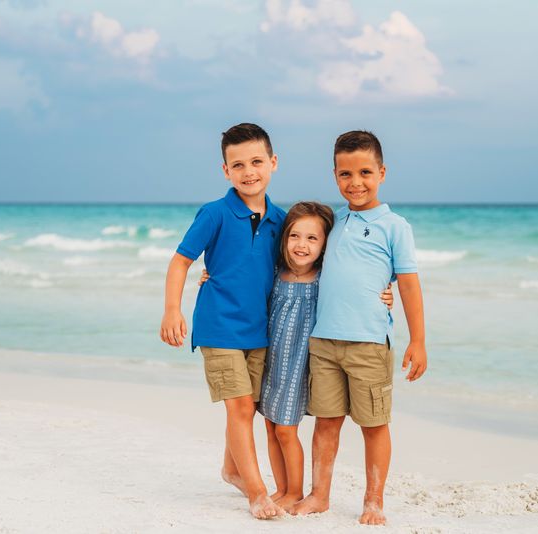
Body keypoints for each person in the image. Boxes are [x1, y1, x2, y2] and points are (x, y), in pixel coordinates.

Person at [199, 202, 394, 511]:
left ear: (325, 244)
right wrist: (212, 278)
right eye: (294, 236)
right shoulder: (277, 273)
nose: (301, 245)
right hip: (271, 362)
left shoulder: (325, 278)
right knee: (271, 428)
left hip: (298, 367)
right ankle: (281, 488)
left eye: (312, 238)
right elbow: (245, 282)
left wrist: (383, 293)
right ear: (285, 238)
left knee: (287, 431)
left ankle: (294, 492)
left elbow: (356, 284)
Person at [291, 130, 428, 525]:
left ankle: (373, 500)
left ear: (382, 172)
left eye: (365, 172)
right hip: (323, 342)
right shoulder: (333, 222)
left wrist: (417, 340)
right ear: (335, 175)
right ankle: (319, 495)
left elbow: (408, 284)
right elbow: (300, 256)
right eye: (345, 174)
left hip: (369, 343)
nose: (356, 182)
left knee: (373, 424)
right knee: (326, 422)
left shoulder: (394, 226)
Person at [159, 123, 285, 520]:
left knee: (247, 405)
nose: (249, 171)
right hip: (219, 325)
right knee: (240, 409)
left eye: (256, 162)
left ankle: (232, 469)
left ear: (273, 163)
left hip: (261, 329)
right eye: (238, 164)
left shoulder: (282, 220)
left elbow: (300, 266)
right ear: (225, 170)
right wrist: (172, 310)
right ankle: (257, 492)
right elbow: (181, 261)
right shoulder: (214, 213)